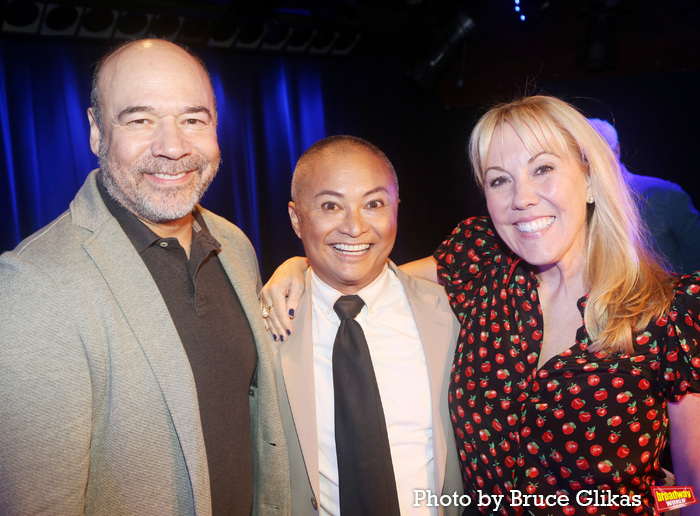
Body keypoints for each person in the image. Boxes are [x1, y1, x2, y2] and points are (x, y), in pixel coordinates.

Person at [262, 96, 700, 515]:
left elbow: (692, 492)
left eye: (543, 169)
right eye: (499, 180)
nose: (522, 197)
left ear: (589, 179)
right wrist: (298, 265)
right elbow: (369, 267)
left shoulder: (671, 314)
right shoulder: (483, 266)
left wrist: (650, 501)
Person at [0, 39, 291, 515]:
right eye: (139, 119)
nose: (173, 147)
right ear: (96, 132)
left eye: (193, 119)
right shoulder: (34, 284)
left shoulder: (234, 244)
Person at [262, 135, 464, 515]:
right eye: (330, 206)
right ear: (296, 218)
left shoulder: (451, 314)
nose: (354, 227)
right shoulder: (264, 324)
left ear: (396, 210)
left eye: (373, 204)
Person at [588, 118, 700, 274]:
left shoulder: (665, 194)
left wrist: (685, 295)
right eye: (585, 155)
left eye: (599, 151)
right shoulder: (578, 203)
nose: (593, 161)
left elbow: (695, 253)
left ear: (616, 150)